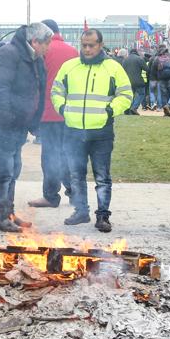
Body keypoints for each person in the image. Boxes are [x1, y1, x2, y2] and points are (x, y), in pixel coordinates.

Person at [52, 29, 133, 232]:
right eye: (84, 45)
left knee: (102, 176)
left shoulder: (113, 67)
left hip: (101, 132)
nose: (87, 49)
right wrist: (63, 109)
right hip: (73, 130)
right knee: (75, 175)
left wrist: (110, 111)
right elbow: (56, 91)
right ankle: (81, 211)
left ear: (100, 44)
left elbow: (125, 94)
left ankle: (103, 216)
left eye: (91, 45)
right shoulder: (69, 66)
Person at [0, 23, 50, 231]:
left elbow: (36, 91)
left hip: (18, 125)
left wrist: (32, 121)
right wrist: (7, 120)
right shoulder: (9, 54)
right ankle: (0, 218)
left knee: (14, 170)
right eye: (46, 43)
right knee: (4, 171)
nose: (48, 48)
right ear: (34, 42)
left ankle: (8, 213)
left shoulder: (34, 58)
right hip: (1, 124)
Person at [27, 19, 78, 209]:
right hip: (68, 112)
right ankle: (74, 193)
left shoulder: (42, 49)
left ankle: (50, 196)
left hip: (48, 111)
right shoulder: (72, 51)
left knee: (50, 155)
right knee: (68, 154)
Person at [151, 46, 170, 117]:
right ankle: (169, 105)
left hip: (161, 79)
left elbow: (153, 70)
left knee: (163, 95)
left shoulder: (157, 58)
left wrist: (155, 79)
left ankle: (165, 111)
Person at [121, 47, 147, 115]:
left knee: (130, 95)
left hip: (128, 81)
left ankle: (128, 109)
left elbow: (122, 71)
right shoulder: (139, 59)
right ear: (136, 52)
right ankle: (134, 108)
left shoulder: (125, 60)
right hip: (138, 81)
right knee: (141, 94)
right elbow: (146, 68)